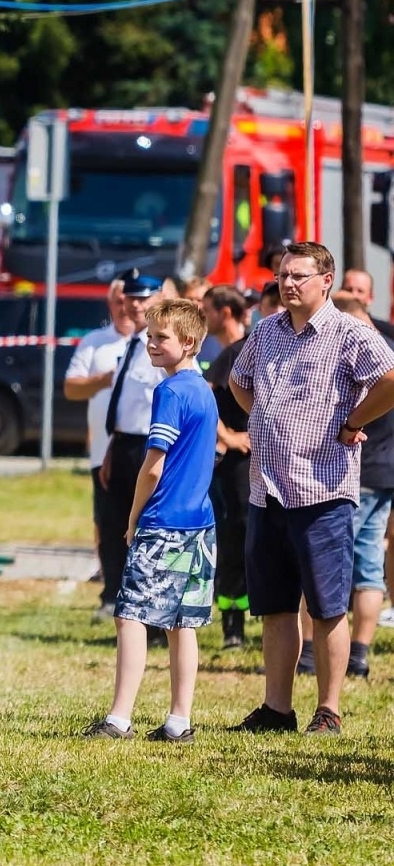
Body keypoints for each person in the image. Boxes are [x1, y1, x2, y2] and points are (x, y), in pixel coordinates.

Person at [228, 242, 394, 735]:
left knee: (325, 607)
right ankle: (276, 708)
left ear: (326, 280)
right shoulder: (266, 331)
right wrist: (260, 414)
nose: (288, 283)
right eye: (283, 275)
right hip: (268, 490)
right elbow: (240, 380)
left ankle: (329, 710)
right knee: (276, 606)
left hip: (322, 491)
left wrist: (354, 419)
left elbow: (389, 379)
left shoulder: (349, 333)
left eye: (299, 275)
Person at [83, 299, 218, 741]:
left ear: (189, 342)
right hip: (200, 524)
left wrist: (134, 516)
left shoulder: (171, 391)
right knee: (182, 622)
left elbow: (153, 465)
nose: (151, 343)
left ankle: (119, 718)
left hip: (164, 521)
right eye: (150, 335)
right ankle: (180, 720)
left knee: (132, 615)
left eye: (161, 337)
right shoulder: (204, 390)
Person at [298, 296, 392, 681]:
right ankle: (360, 655)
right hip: (386, 474)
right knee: (369, 567)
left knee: (318, 564)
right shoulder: (388, 354)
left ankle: (307, 654)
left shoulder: (352, 363)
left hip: (349, 477)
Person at [68, 273, 163, 626]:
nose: (135, 305)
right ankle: (117, 597)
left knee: (145, 527)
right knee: (113, 525)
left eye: (144, 299)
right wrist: (110, 448)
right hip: (121, 445)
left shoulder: (158, 346)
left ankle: (147, 607)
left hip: (149, 447)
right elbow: (122, 406)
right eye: (131, 299)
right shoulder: (133, 345)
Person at [200, 285, 252, 649]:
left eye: (207, 310)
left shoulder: (248, 347)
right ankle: (232, 625)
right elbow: (206, 395)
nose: (204, 317)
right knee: (234, 536)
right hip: (234, 465)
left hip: (259, 461)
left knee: (253, 536)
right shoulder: (226, 353)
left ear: (226, 312)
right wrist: (230, 437)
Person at [340, 267, 394, 339]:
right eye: (349, 290)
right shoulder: (327, 326)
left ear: (370, 297)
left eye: (360, 291)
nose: (354, 295)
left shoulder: (387, 332)